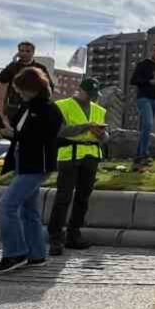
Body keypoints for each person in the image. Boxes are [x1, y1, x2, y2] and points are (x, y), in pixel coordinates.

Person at [0, 67, 63, 274]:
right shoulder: (28, 106)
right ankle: (36, 254)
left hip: (36, 165)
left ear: (33, 88)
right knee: (28, 211)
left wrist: (14, 135)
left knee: (6, 206)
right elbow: (24, 136)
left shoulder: (48, 109)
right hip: (25, 163)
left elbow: (41, 139)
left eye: (22, 89)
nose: (19, 92)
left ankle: (15, 253)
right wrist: (8, 132)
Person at [47, 77, 109, 255]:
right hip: (70, 156)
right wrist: (86, 127)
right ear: (80, 90)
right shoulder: (62, 106)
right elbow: (59, 131)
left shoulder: (99, 110)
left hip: (92, 156)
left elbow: (106, 138)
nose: (92, 98)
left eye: (95, 94)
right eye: (90, 94)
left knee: (83, 198)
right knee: (63, 197)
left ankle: (74, 235)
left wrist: (101, 134)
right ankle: (55, 238)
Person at [0, 41, 53, 126]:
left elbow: (49, 87)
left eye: (27, 51)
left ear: (33, 53)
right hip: (14, 107)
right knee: (14, 132)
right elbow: (1, 79)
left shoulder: (40, 68)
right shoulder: (14, 66)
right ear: (18, 52)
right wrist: (13, 63)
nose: (24, 53)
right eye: (21, 51)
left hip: (33, 107)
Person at [130, 43, 155, 168]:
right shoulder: (142, 65)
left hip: (154, 100)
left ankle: (138, 157)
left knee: (146, 128)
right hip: (143, 99)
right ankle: (144, 154)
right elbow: (133, 80)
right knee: (148, 124)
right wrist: (148, 81)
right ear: (151, 51)